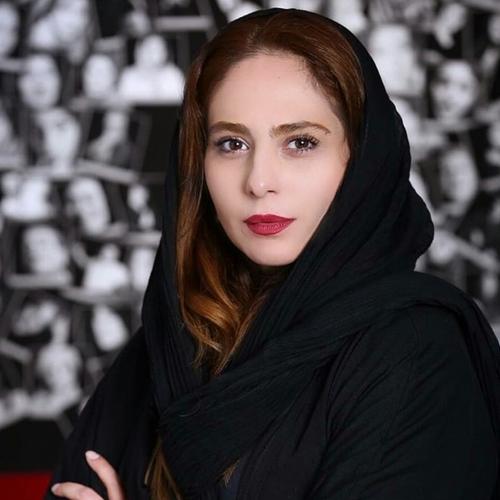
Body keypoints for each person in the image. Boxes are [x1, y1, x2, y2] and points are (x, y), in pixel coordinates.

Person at [46, 8, 500, 500]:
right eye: (231, 143)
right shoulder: (167, 342)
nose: (259, 181)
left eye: (300, 142)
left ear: (363, 157)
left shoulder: (412, 346)